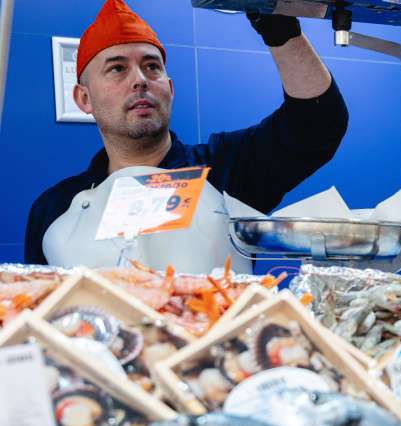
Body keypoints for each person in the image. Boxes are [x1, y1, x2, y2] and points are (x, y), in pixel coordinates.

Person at [25, 0, 348, 274]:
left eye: (151, 67)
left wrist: (279, 29)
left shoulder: (226, 165)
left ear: (170, 89)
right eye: (117, 69)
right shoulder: (52, 207)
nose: (140, 80)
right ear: (84, 99)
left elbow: (317, 125)